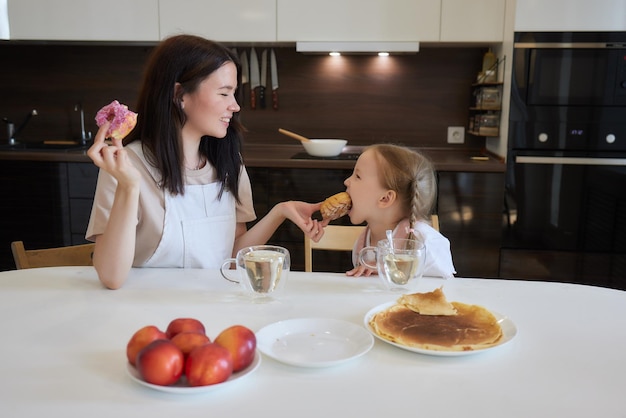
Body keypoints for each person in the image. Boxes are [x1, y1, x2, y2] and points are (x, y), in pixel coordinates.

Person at [85, 35, 324, 289]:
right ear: (180, 95)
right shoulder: (124, 166)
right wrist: (129, 186)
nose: (235, 106)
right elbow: (111, 277)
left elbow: (231, 258)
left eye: (234, 93)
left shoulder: (229, 164)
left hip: (215, 307)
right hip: (148, 314)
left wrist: (280, 212)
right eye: (224, 93)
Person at [342, 144, 456, 278]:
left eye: (358, 176)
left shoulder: (424, 241)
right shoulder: (362, 244)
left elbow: (446, 286)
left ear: (385, 198)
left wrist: (391, 269)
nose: (347, 181)